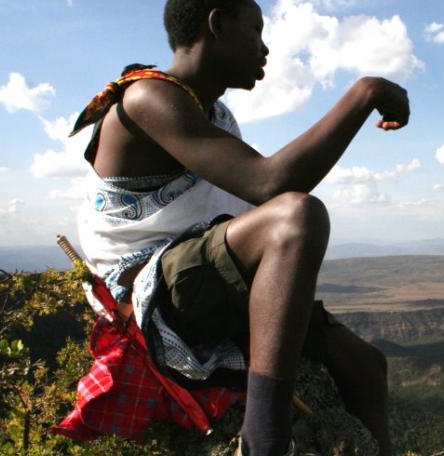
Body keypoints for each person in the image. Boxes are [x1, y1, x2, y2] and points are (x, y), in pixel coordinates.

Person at [74, 0, 409, 454]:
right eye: (255, 29)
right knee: (297, 216)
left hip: (200, 277)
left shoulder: (212, 114)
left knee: (366, 366)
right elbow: (270, 184)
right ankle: (264, 441)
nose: (264, 48)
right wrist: (364, 93)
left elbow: (249, 200)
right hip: (153, 293)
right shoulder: (147, 98)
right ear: (217, 24)